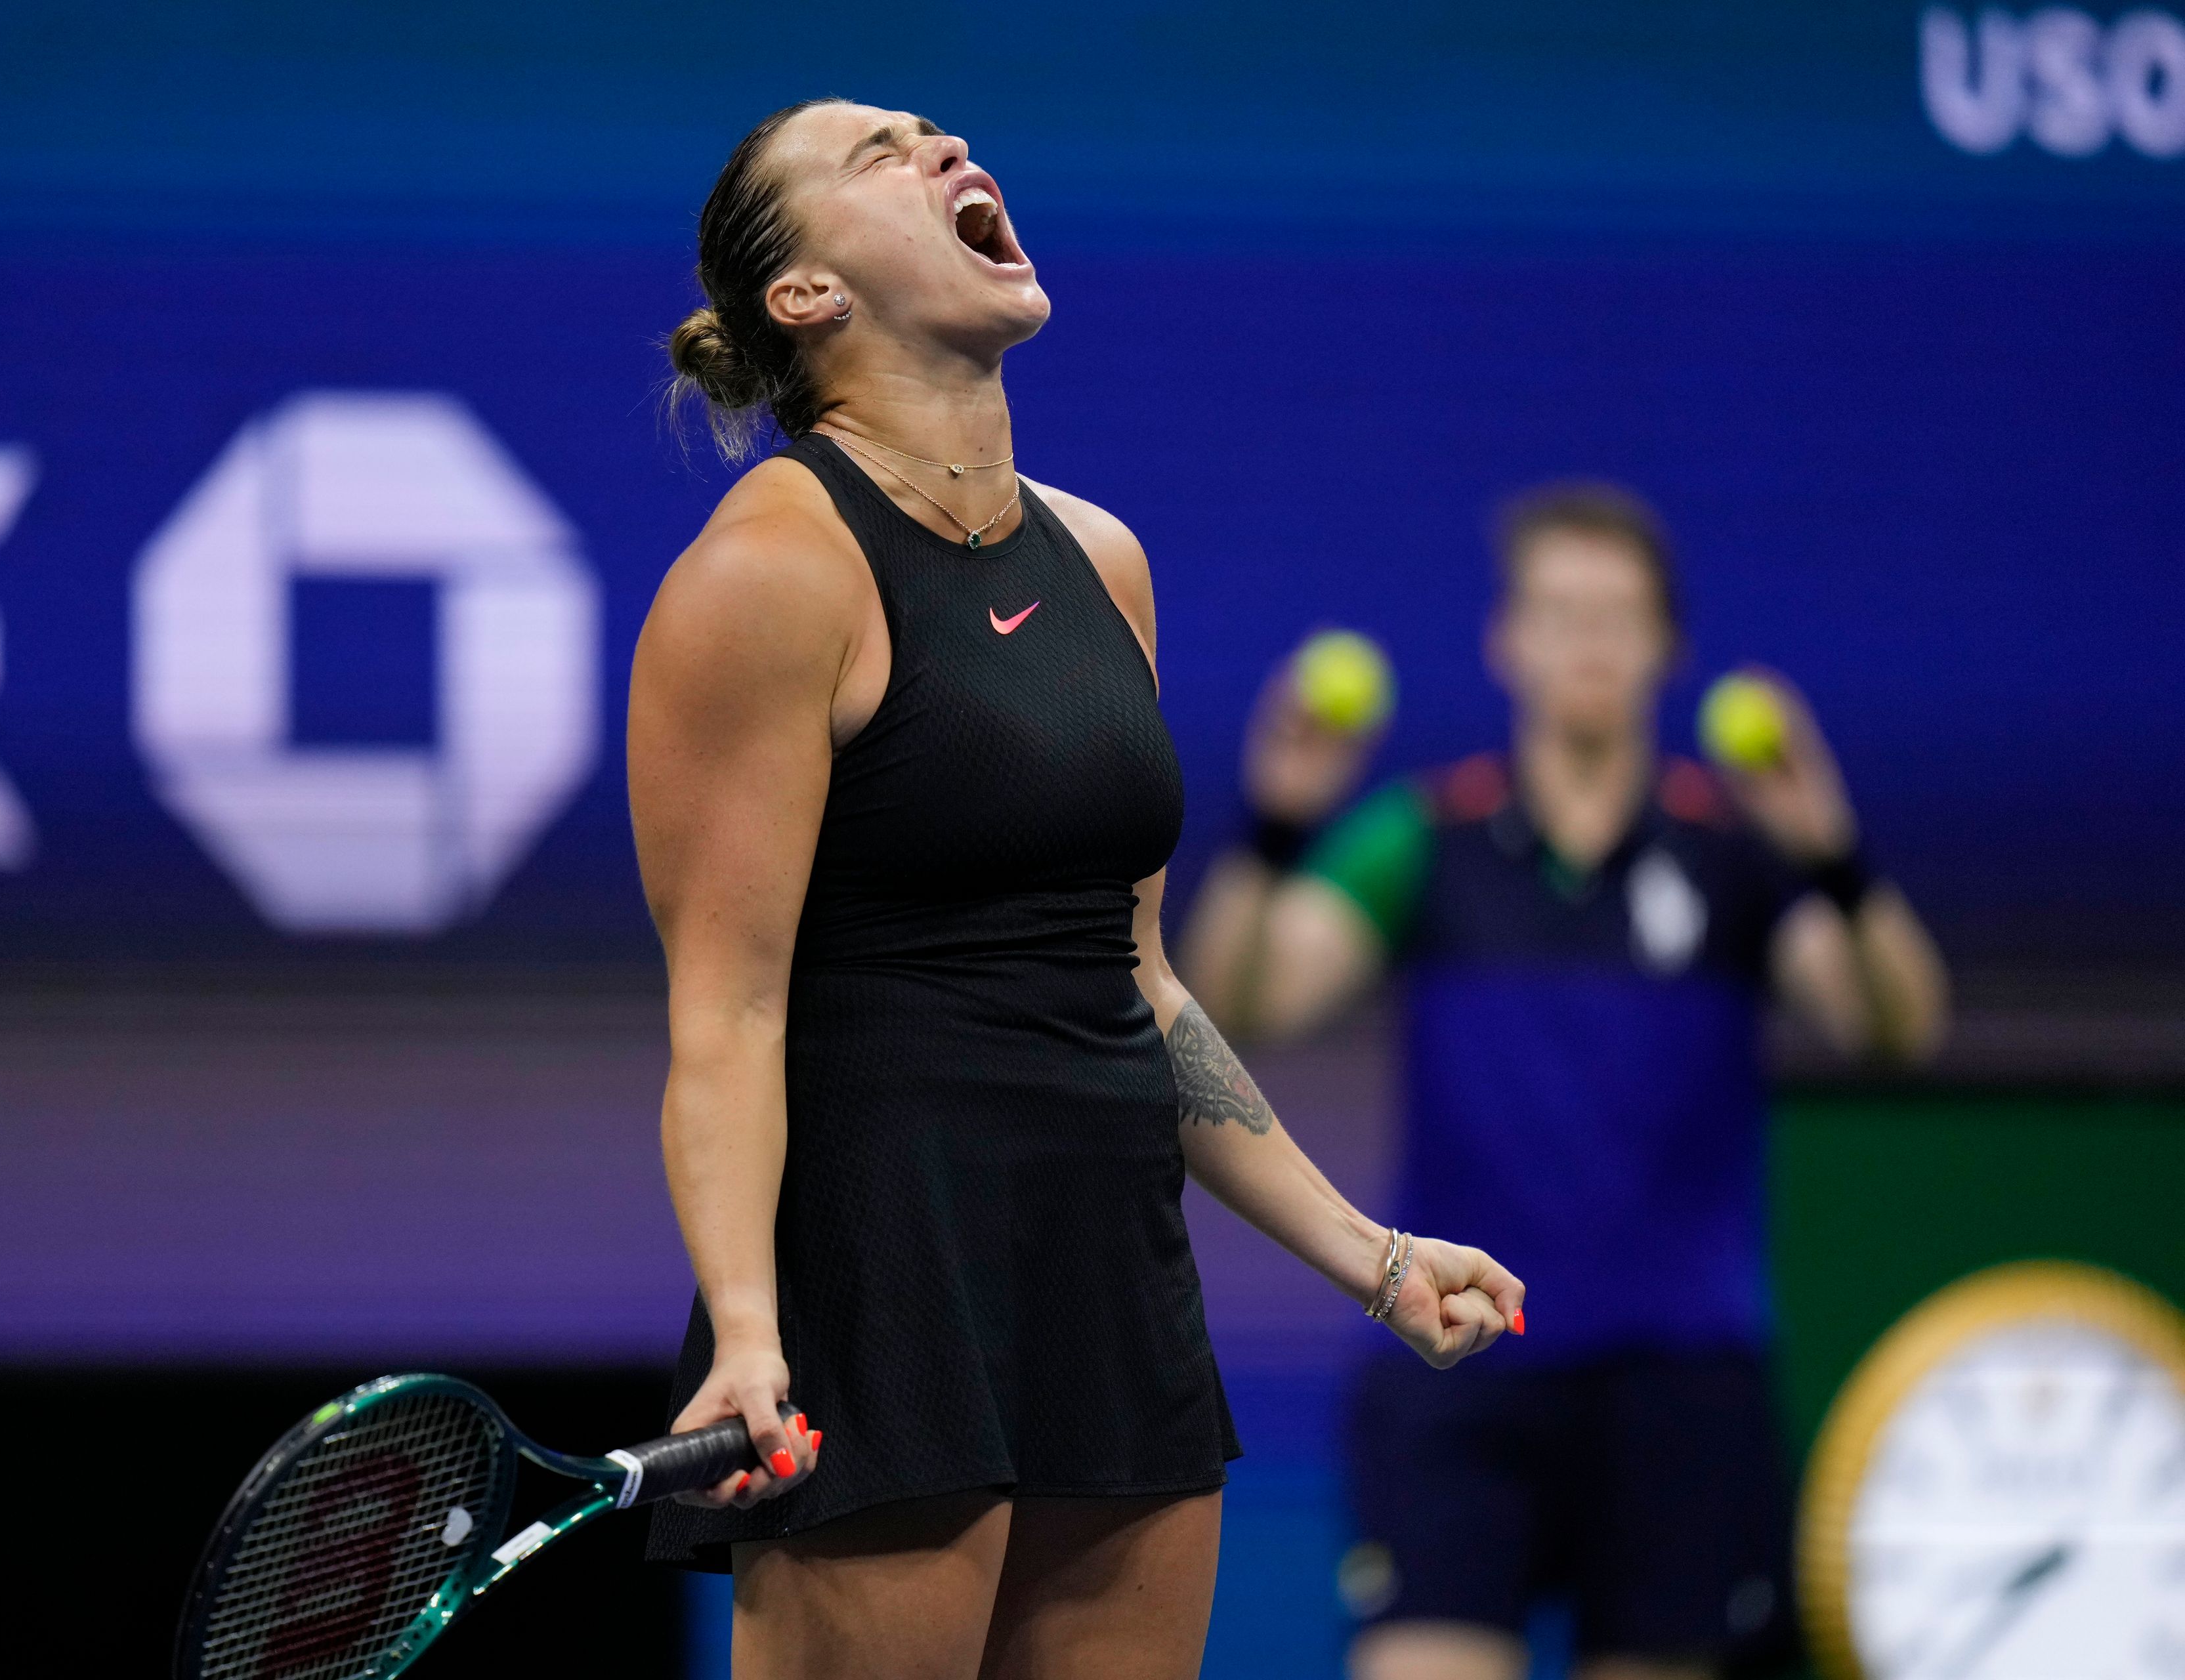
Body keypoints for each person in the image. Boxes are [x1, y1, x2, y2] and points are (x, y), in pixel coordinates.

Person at [627, 99, 1526, 1680]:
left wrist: (1368, 1256)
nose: (940, 141)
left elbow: (1141, 985)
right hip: (881, 1282)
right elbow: (728, 1008)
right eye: (878, 152)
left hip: (1111, 1276)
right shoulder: (766, 574)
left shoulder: (1105, 561)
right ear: (806, 295)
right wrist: (752, 1329)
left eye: (933, 128)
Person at [1178, 483, 1951, 1680]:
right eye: (1561, 611)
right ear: (1508, 641)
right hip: (1455, 1364)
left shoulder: (1731, 855)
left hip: (1680, 1390)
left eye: (1617, 614)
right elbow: (1245, 1005)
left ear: (1666, 646)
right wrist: (1278, 826)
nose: (1589, 641)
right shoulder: (1419, 838)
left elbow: (1896, 1026)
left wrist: (1833, 853)